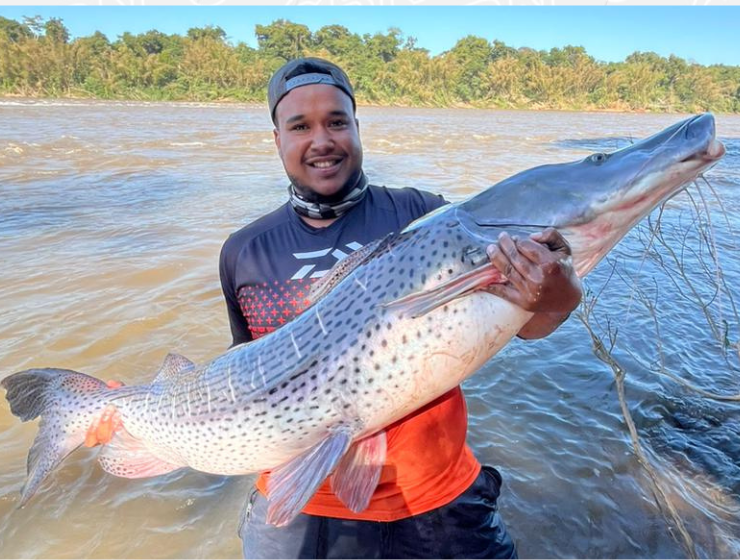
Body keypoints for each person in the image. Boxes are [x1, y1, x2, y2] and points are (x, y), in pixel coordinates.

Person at [219, 57, 582, 559]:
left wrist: (557, 300)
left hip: (439, 496)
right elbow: (242, 372)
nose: (321, 140)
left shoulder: (426, 217)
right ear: (277, 138)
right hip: (302, 506)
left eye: (337, 121)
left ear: (357, 128)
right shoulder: (244, 249)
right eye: (300, 126)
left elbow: (527, 326)